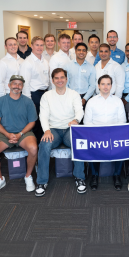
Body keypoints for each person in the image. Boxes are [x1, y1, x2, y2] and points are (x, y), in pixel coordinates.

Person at [35, 68, 86, 197]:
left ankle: (79, 178)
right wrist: (46, 130)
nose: (59, 80)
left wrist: (76, 120)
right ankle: (42, 181)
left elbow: (79, 110)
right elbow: (43, 115)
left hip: (70, 128)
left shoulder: (74, 94)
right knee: (44, 144)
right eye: (56, 78)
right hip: (53, 130)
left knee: (78, 143)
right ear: (52, 80)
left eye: (62, 77)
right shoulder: (47, 96)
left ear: (66, 79)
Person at [0, 75, 38, 196]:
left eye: (20, 84)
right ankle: (0, 180)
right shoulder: (0, 101)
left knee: (34, 148)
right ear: (9, 85)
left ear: (22, 87)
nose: (17, 86)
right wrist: (8, 134)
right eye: (14, 83)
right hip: (5, 133)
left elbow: (32, 122)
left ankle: (28, 176)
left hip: (24, 133)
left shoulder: (28, 101)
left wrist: (20, 134)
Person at [85, 74, 126, 191]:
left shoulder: (118, 101)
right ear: (98, 86)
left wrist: (112, 134)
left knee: (121, 146)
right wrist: (98, 134)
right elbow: (88, 122)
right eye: (103, 84)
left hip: (114, 134)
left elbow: (122, 121)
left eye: (108, 84)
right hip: (96, 134)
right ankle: (94, 175)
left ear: (111, 86)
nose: (105, 86)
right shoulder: (91, 102)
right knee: (90, 146)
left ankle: (117, 175)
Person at [19, 35, 50, 142]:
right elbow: (25, 84)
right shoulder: (28, 63)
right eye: (37, 45)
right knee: (35, 122)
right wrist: (29, 101)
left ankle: (43, 145)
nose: (40, 47)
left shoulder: (44, 61)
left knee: (44, 120)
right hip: (34, 95)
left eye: (41, 45)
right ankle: (34, 148)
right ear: (31, 46)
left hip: (45, 94)